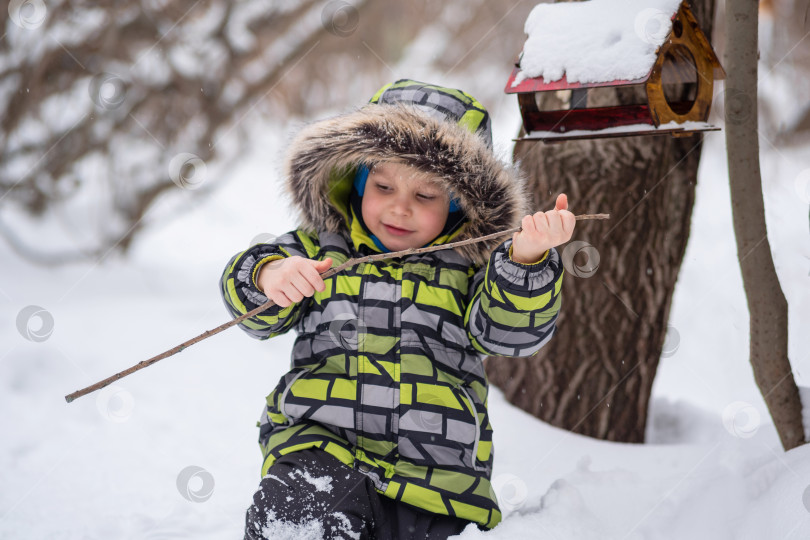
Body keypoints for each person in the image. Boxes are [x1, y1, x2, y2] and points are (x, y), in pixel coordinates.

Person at [220, 79, 575, 539]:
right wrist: (269, 276)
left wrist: (526, 258)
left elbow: (509, 335)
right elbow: (249, 298)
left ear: (458, 208)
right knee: (298, 515)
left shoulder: (472, 269)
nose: (399, 208)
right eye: (383, 186)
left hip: (436, 477)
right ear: (356, 181)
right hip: (319, 447)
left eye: (425, 196)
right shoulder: (319, 251)